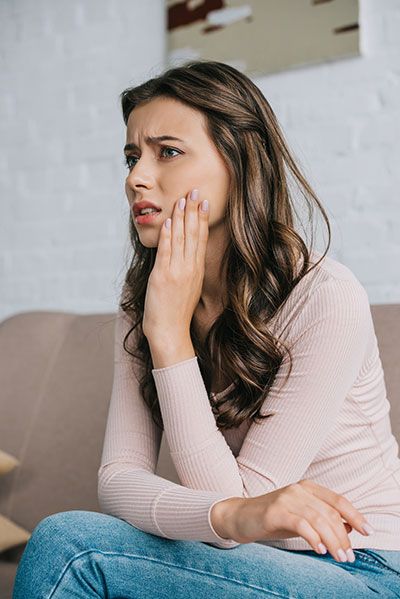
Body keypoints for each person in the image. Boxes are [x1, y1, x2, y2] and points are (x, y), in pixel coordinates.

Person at [13, 60, 400, 598]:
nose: (135, 178)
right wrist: (162, 320)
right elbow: (120, 479)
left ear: (240, 162)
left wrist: (169, 336)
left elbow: (238, 515)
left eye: (167, 151)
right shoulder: (146, 300)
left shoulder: (323, 296)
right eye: (131, 156)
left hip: (367, 568)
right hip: (251, 570)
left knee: (72, 547)